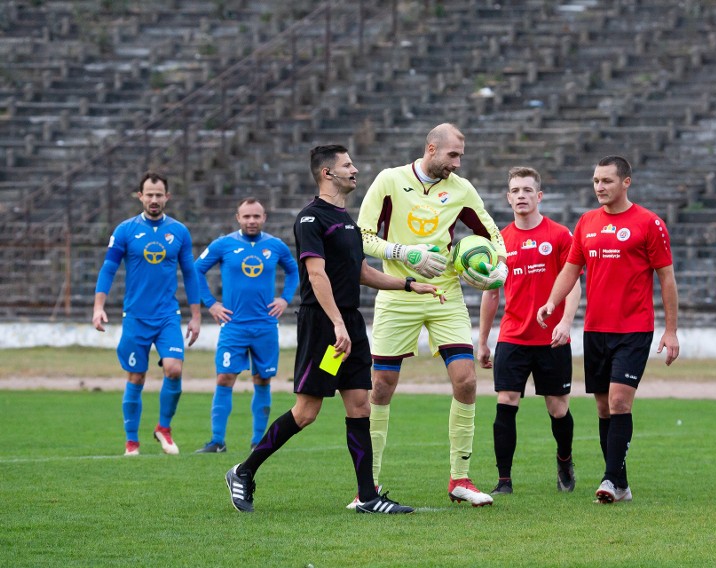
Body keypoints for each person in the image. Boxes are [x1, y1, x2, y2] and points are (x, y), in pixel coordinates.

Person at [225, 145, 444, 514]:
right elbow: (316, 273)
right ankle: (243, 471)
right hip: (325, 328)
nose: (355, 170)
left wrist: (409, 284)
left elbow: (359, 272)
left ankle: (368, 498)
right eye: (347, 165)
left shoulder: (347, 221)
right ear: (328, 173)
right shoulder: (311, 219)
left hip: (350, 324)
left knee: (360, 406)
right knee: (306, 412)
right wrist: (337, 324)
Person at [355, 123, 508, 508]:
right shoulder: (389, 180)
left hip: (444, 294)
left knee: (467, 380)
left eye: (460, 157)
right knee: (381, 386)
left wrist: (499, 267)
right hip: (396, 295)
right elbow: (362, 235)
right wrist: (405, 254)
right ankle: (367, 487)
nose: (457, 164)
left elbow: (492, 235)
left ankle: (460, 478)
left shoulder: (461, 189)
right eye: (452, 155)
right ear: (431, 148)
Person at [536, 155, 680, 504]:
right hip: (596, 330)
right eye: (596, 181)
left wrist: (671, 330)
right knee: (603, 408)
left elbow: (667, 278)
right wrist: (553, 303)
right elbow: (570, 269)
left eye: (607, 181)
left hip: (634, 329)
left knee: (619, 401)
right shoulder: (586, 222)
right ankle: (622, 483)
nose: (600, 187)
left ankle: (610, 480)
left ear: (625, 182)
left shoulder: (649, 223)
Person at [477, 166, 582, 496]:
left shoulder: (559, 235)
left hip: (551, 339)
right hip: (512, 337)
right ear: (508, 198)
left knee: (558, 408)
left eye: (527, 190)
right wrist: (482, 341)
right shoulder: (500, 241)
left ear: (539, 196)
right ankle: (504, 480)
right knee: (506, 401)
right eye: (515, 190)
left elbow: (573, 283)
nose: (521, 195)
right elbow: (491, 294)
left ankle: (564, 461)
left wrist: (565, 323)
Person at [92, 171, 201, 456]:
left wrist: (196, 316)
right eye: (149, 194)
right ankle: (132, 442)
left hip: (167, 315)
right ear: (140, 196)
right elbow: (108, 269)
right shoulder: (125, 230)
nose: (154, 199)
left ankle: (163, 428)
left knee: (174, 369)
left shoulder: (179, 231)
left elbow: (190, 274)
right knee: (136, 377)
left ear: (167, 197)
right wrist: (98, 307)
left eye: (159, 194)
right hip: (136, 317)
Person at [194, 198, 299, 453]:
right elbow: (196, 270)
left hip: (265, 326)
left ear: (264, 218)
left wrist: (284, 299)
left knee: (262, 380)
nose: (251, 221)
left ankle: (258, 442)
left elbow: (294, 271)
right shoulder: (224, 244)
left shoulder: (275, 246)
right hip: (234, 326)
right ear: (237, 218)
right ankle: (217, 441)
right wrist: (211, 304)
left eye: (256, 216)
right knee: (225, 377)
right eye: (246, 216)